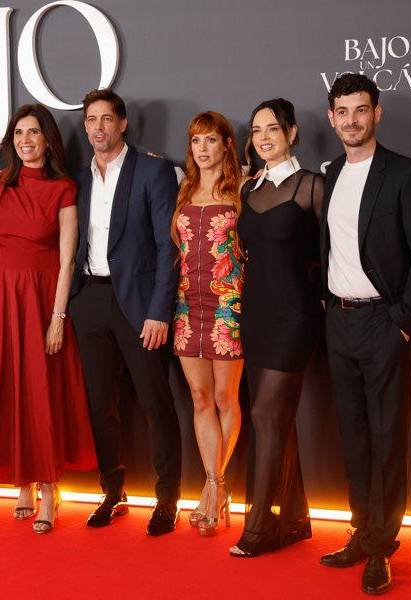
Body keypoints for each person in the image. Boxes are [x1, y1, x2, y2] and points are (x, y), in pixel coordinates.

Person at [318, 73, 411, 595]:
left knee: (387, 438)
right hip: (339, 321)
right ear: (332, 118)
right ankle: (361, 531)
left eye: (361, 110)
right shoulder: (329, 174)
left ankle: (381, 549)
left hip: (384, 324)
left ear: (377, 113)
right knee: (353, 438)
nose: (352, 120)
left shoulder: (407, 175)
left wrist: (403, 324)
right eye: (343, 111)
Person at [0, 104, 97, 534]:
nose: (25, 140)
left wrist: (57, 316)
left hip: (42, 297)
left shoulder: (63, 188)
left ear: (47, 139)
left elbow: (67, 258)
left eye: (33, 132)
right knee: (12, 387)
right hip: (4, 296)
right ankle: (23, 485)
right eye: (19, 133)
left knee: (42, 389)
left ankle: (50, 489)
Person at [70, 88, 182, 536]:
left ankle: (168, 498)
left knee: (155, 402)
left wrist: (159, 311)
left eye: (106, 119)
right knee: (101, 405)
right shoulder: (79, 180)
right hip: (90, 299)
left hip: (139, 303)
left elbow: (168, 246)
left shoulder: (153, 171)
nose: (98, 128)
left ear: (122, 124)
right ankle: (113, 492)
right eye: (91, 120)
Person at [230, 98, 324, 557]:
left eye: (272, 128)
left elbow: (333, 253)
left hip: (295, 316)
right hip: (256, 315)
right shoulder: (249, 189)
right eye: (256, 130)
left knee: (266, 415)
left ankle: (259, 528)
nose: (263, 137)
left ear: (292, 132)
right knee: (274, 417)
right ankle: (294, 519)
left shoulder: (312, 186)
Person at [171, 111, 245, 536]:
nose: (202, 148)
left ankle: (213, 489)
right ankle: (215, 487)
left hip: (228, 306)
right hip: (188, 308)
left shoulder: (242, 191)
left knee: (224, 396)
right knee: (200, 398)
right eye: (196, 140)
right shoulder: (183, 191)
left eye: (211, 140)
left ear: (226, 145)